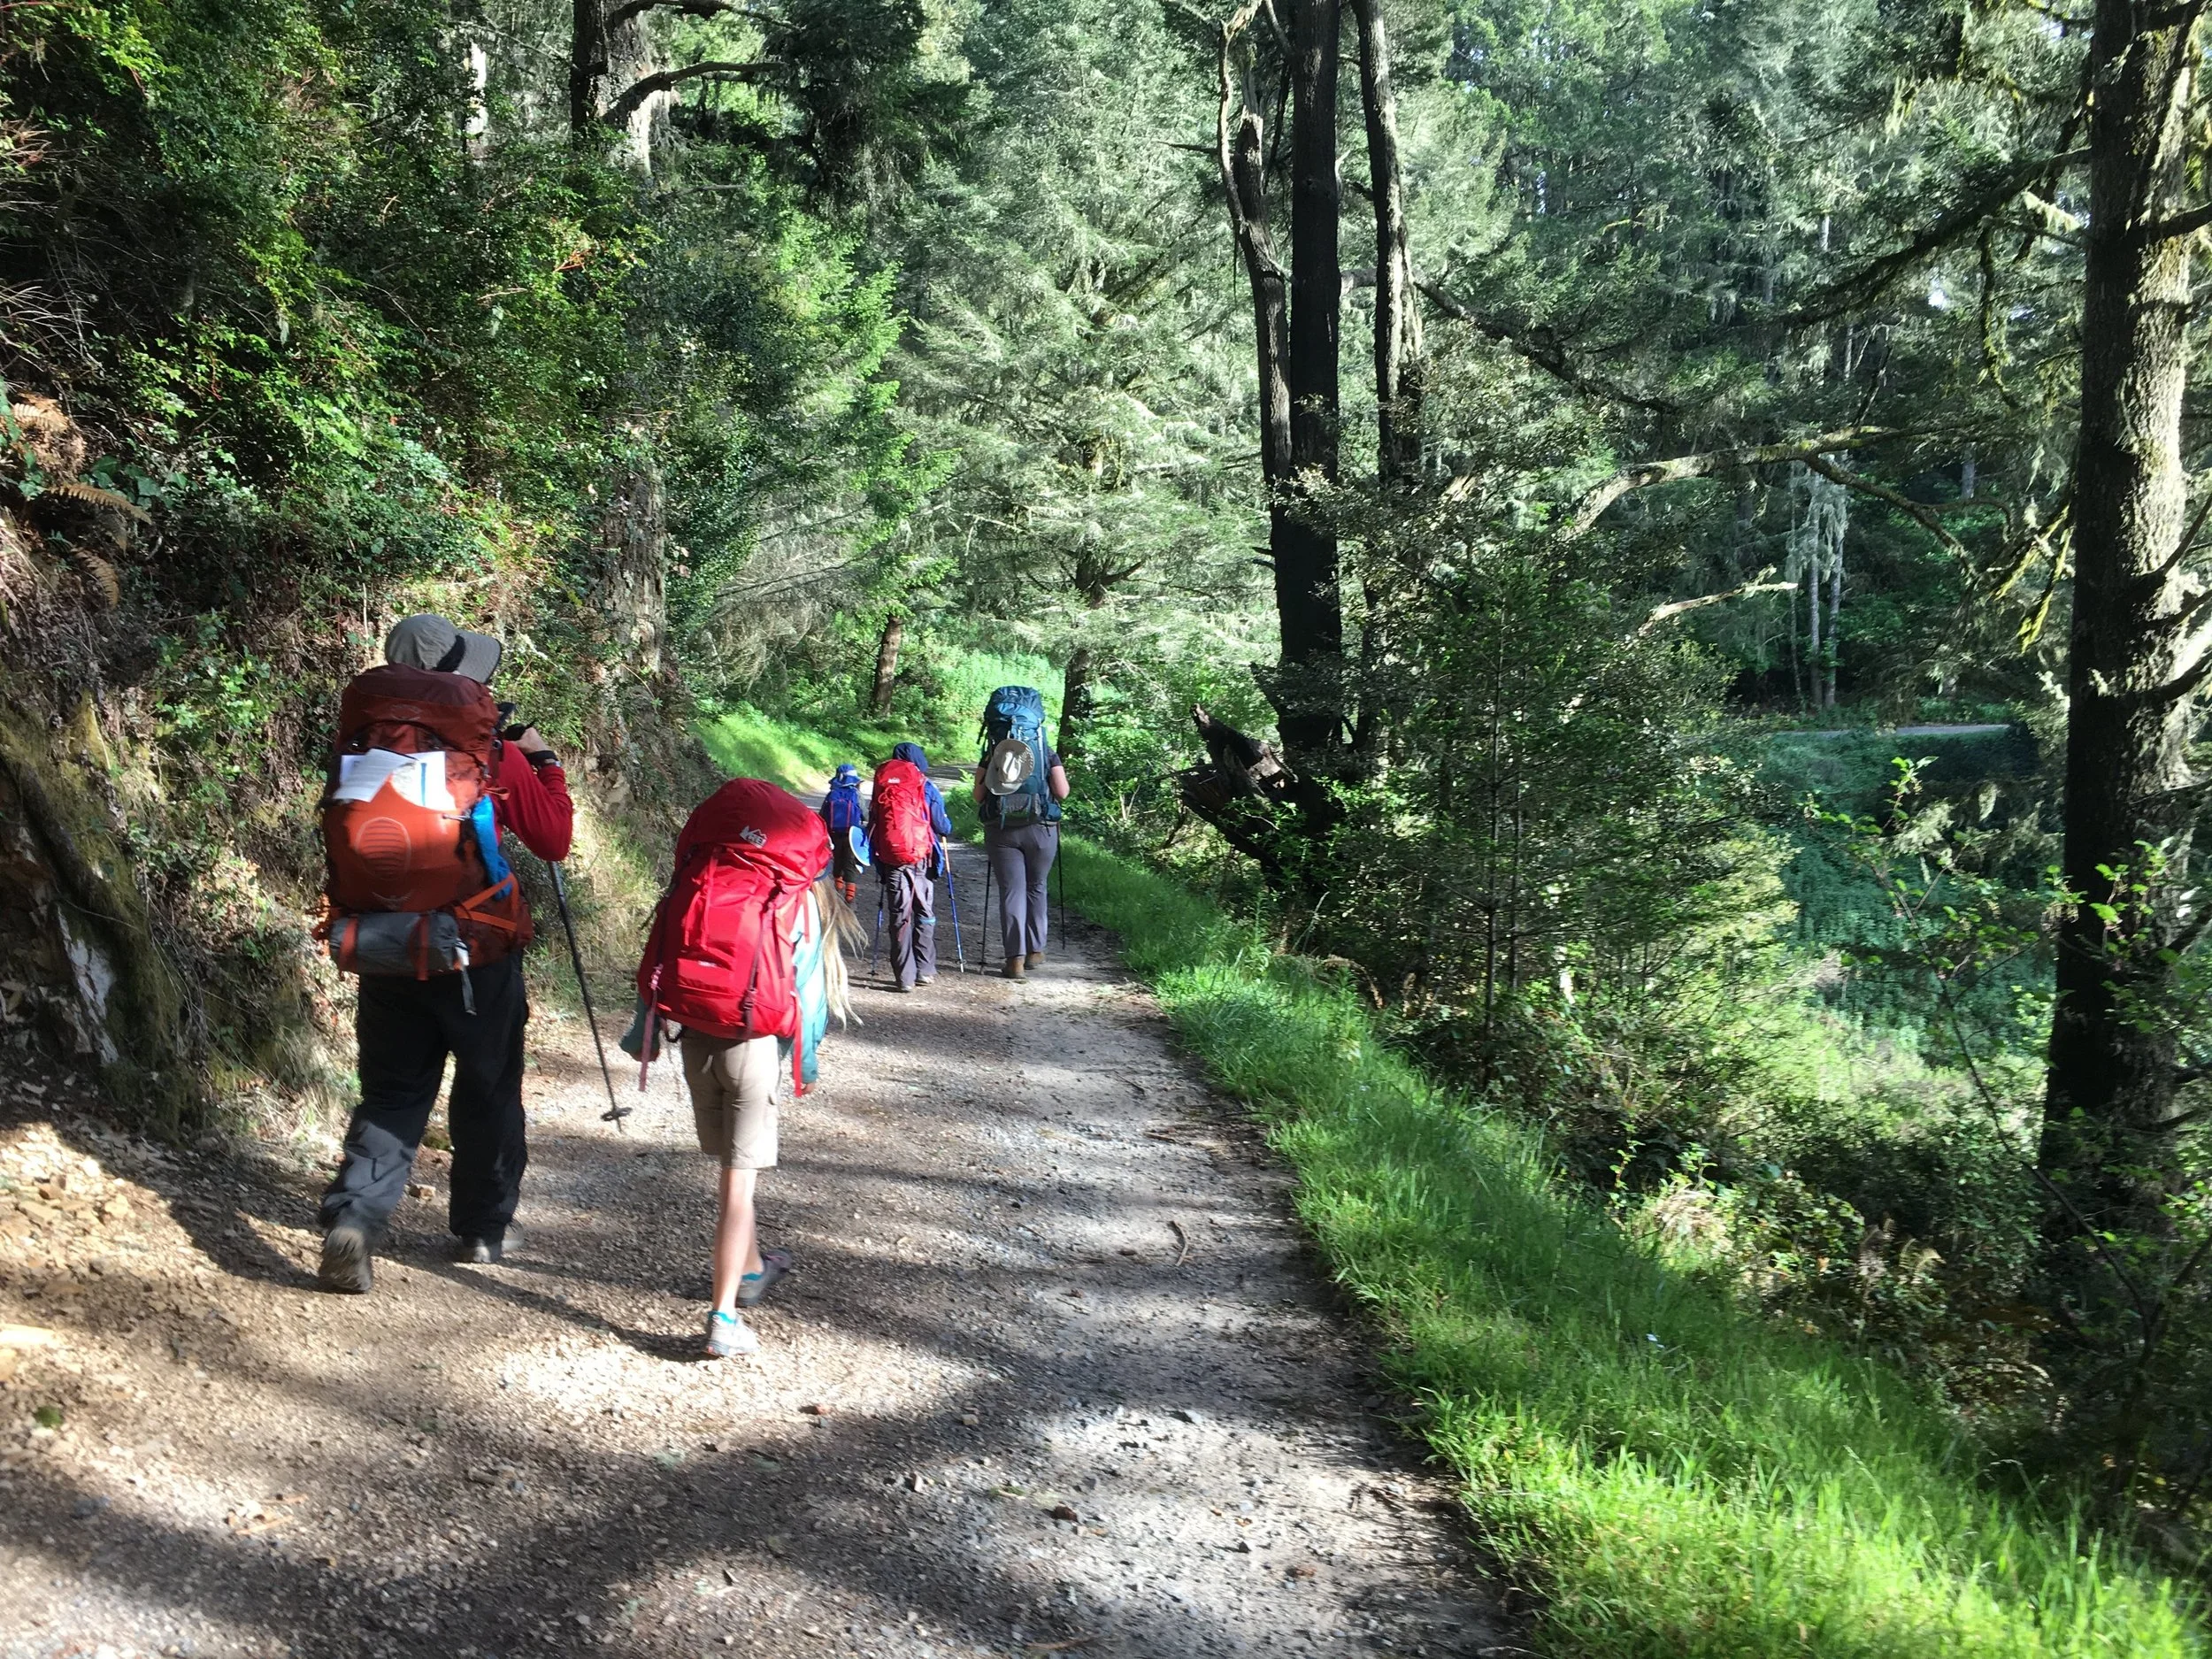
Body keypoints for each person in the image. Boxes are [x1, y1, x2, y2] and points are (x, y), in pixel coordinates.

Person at [316, 615, 573, 1294]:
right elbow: (552, 840)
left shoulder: (358, 737)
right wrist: (544, 762)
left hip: (380, 940)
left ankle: (355, 1219)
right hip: (474, 946)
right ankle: (483, 1229)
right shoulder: (488, 750)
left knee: (394, 1090)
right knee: (487, 1086)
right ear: (457, 674)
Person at [626, 779, 835, 1359]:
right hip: (752, 1045)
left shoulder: (701, 873)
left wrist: (639, 1033)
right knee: (737, 1184)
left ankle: (750, 1268)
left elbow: (659, 953)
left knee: (732, 1162)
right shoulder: (789, 894)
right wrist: (806, 1063)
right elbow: (809, 993)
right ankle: (722, 1318)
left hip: (694, 1036)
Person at [972, 687, 1071, 980]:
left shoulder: (992, 751)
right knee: (1036, 886)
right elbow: (1062, 793)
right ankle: (1035, 950)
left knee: (1011, 891)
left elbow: (979, 796)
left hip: (1002, 830)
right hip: (1041, 828)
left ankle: (1014, 960)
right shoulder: (1045, 751)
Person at [868, 741, 953, 992]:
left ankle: (904, 978)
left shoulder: (883, 784)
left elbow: (873, 822)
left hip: (892, 859)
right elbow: (942, 826)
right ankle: (925, 970)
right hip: (920, 859)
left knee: (899, 916)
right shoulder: (925, 786)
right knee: (924, 912)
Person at [819, 762, 869, 906]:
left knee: (838, 861)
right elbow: (865, 815)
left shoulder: (831, 794)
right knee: (849, 863)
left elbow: (822, 815)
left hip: (834, 834)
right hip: (852, 835)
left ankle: (837, 890)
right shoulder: (856, 794)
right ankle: (850, 897)